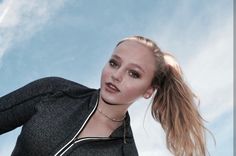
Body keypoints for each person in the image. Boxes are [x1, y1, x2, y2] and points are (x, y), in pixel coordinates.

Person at [0, 36, 208, 156]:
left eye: (133, 74)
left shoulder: (124, 153)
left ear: (148, 90)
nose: (116, 76)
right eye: (114, 63)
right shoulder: (53, 91)